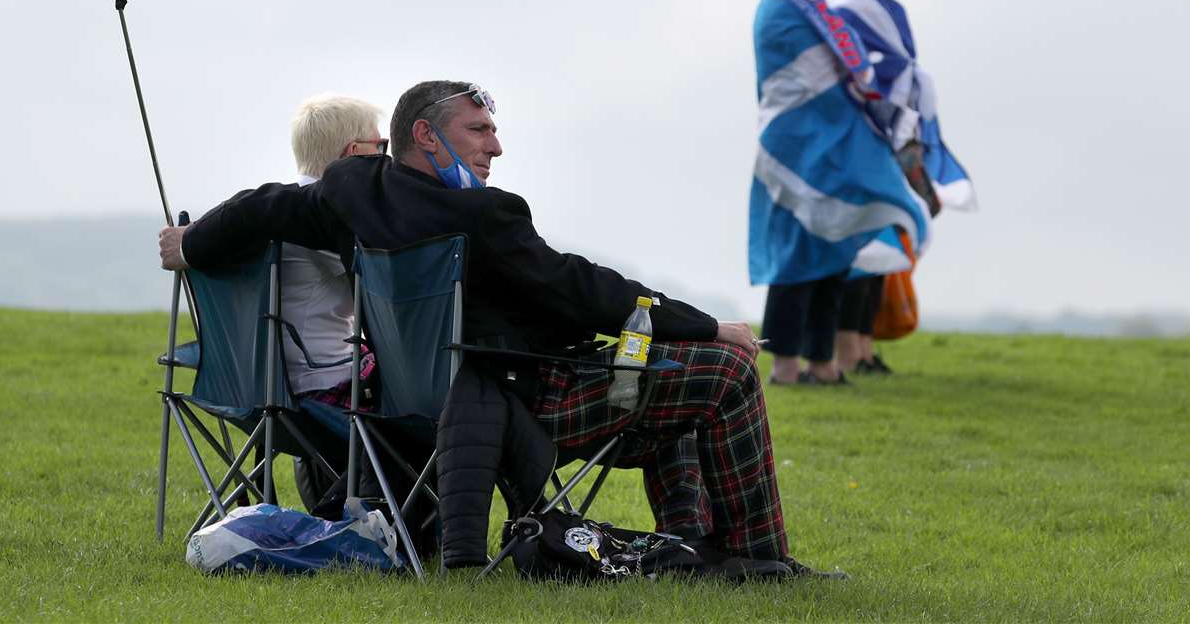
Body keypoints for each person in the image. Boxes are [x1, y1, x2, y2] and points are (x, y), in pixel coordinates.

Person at [161, 81, 831, 578]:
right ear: (426, 135)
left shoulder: (352, 194)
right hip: (522, 404)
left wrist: (192, 245)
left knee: (657, 355)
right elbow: (582, 290)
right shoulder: (486, 215)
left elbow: (261, 206)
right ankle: (759, 556)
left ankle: (691, 543)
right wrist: (712, 323)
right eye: (480, 130)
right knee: (721, 366)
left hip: (409, 408)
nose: (497, 145)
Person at [749, 0, 931, 387]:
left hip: (828, 145)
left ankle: (822, 363)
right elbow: (807, 83)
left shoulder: (809, 4)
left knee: (833, 251)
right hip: (800, 148)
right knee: (796, 258)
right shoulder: (785, 6)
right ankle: (786, 364)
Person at [830, 0, 977, 374]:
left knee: (886, 238)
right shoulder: (851, 5)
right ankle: (847, 350)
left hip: (893, 133)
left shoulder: (884, 7)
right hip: (866, 134)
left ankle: (866, 345)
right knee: (864, 242)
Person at [281, 94, 387, 407]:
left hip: (266, 383)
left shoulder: (279, 212)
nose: (385, 159)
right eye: (379, 147)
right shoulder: (328, 219)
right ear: (354, 154)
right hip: (324, 382)